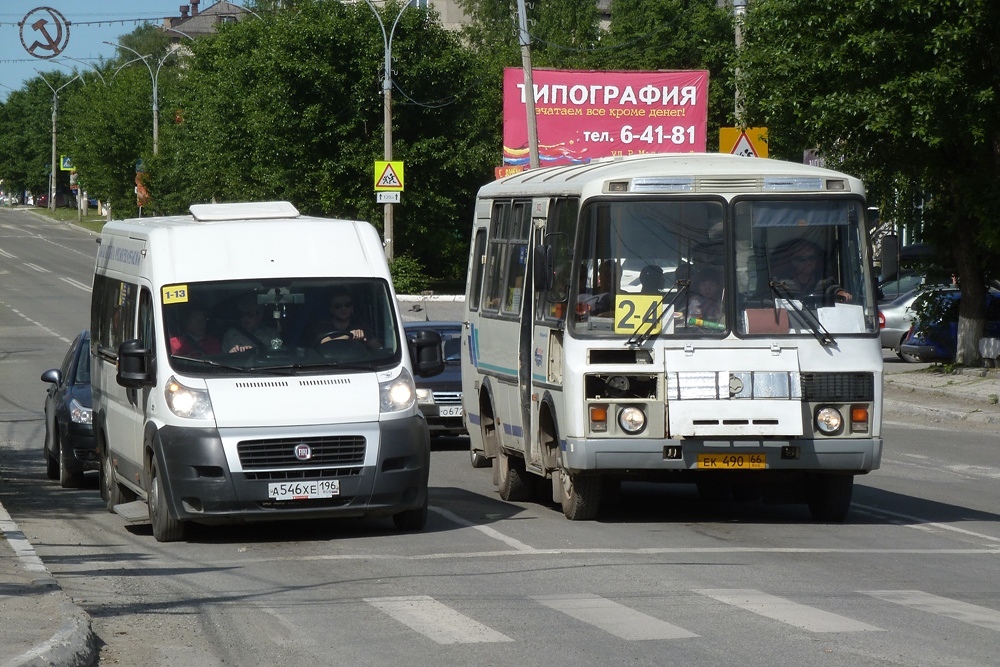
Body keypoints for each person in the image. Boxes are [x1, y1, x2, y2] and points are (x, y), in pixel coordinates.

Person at [772, 238, 852, 303]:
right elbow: (772, 303)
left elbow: (834, 289)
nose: (808, 262)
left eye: (811, 258)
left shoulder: (823, 280)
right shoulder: (781, 283)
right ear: (794, 262)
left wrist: (841, 293)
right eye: (802, 259)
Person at [311, 288, 380, 349]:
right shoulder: (321, 327)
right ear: (331, 309)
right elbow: (326, 344)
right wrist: (349, 336)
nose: (343, 309)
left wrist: (366, 339)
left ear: (352, 308)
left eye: (347, 305)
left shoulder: (361, 326)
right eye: (338, 306)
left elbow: (378, 347)